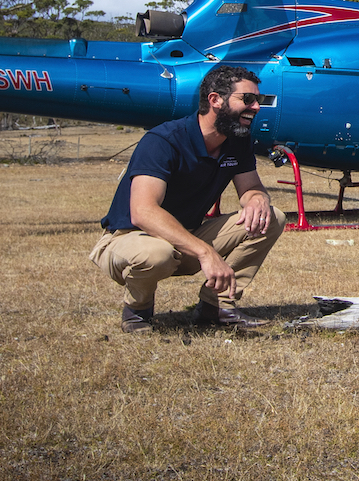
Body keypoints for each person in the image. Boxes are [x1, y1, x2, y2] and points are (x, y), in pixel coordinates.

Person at [90, 64, 287, 332]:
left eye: (258, 100)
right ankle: (137, 311)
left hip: (186, 239)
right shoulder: (163, 140)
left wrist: (257, 199)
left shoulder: (237, 140)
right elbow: (143, 212)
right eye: (248, 99)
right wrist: (205, 252)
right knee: (156, 253)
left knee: (271, 217)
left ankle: (217, 306)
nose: (256, 107)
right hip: (129, 238)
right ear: (215, 100)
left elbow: (251, 188)